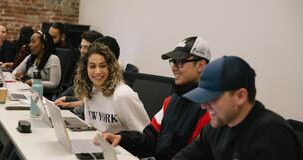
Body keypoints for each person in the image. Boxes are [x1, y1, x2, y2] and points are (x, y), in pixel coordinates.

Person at [100, 36, 211, 160]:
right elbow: (149, 139)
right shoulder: (170, 102)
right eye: (173, 61)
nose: (174, 67)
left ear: (201, 65)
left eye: (180, 62)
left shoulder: (212, 108)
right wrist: (122, 139)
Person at [173, 56, 302, 160]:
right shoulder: (216, 126)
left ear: (240, 96)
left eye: (212, 98)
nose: (203, 105)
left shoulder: (271, 134)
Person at [73, 42, 149, 133]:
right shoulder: (90, 92)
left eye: (103, 66)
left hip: (119, 146)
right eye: (92, 66)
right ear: (86, 69)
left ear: (110, 67)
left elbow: (144, 136)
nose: (97, 71)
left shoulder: (123, 95)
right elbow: (90, 128)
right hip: (99, 144)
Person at [12, 30, 61, 99]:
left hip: (43, 96)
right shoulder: (31, 57)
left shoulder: (53, 59)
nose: (30, 45)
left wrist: (33, 82)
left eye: (33, 42)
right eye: (30, 42)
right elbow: (15, 71)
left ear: (43, 44)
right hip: (28, 93)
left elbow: (54, 83)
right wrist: (17, 75)